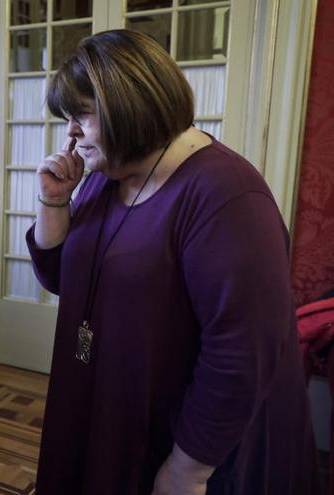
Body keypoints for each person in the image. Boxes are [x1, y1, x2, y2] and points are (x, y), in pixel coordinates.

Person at [27, 30, 318, 494]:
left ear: (130, 108)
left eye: (82, 114)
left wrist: (188, 468)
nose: (71, 132)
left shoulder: (227, 195)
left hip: (191, 441)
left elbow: (242, 352)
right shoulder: (110, 173)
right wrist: (53, 201)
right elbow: (66, 278)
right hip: (108, 405)